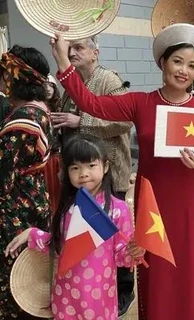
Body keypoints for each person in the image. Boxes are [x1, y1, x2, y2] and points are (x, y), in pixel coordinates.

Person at [49, 24, 194, 320]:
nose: (184, 70)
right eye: (178, 61)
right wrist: (64, 62)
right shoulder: (140, 102)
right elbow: (91, 103)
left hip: (191, 203)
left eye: (192, 66)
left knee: (191, 269)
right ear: (162, 63)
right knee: (155, 269)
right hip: (153, 204)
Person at [5, 134, 145, 320]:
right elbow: (59, 246)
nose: (83, 173)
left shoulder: (117, 210)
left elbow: (122, 257)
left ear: (106, 167)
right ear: (67, 171)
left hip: (100, 298)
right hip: (65, 295)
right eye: (75, 167)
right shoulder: (69, 207)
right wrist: (32, 234)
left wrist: (135, 250)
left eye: (91, 165)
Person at [50, 35, 135, 314]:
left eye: (78, 48)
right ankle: (85, 293)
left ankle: (121, 297)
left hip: (108, 175)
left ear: (95, 53)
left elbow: (124, 121)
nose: (72, 52)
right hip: (78, 178)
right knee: (83, 239)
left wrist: (81, 120)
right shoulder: (69, 86)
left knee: (116, 238)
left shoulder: (109, 80)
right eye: (69, 48)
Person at [0, 45, 53, 320]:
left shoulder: (21, 120)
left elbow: (2, 178)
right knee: (30, 277)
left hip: (15, 212)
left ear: (15, 78)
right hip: (35, 200)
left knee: (16, 284)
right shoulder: (39, 110)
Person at [44, 75, 62, 214]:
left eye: (51, 86)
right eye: (44, 85)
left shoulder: (59, 107)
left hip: (58, 155)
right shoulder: (38, 108)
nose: (48, 89)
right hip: (45, 157)